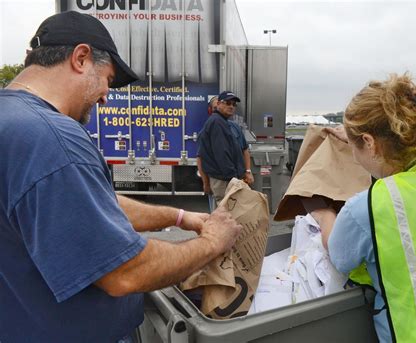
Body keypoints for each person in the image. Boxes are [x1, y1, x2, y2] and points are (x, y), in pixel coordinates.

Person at [0, 11, 242, 343]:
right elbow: (125, 272)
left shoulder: (12, 121)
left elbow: (90, 205)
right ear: (81, 58)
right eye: (108, 80)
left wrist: (181, 216)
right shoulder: (52, 138)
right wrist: (213, 242)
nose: (106, 96)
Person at [312, 73, 416, 342]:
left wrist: (324, 216)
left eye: (355, 145)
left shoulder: (368, 208)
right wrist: (356, 136)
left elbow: (340, 256)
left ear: (370, 142)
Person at [197, 91, 254, 204]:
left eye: (234, 104)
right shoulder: (217, 123)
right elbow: (222, 154)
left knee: (228, 215)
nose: (231, 106)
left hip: (228, 179)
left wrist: (245, 172)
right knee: (226, 215)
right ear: (218, 104)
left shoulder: (225, 123)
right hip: (225, 181)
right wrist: (234, 179)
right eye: (228, 103)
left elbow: (242, 150)